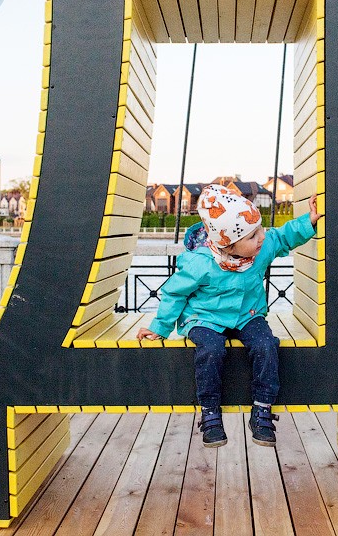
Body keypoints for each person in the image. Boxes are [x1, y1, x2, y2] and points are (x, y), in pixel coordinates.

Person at [136, 184, 323, 448]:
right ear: (230, 245)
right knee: (212, 349)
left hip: (247, 315)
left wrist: (309, 221)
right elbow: (174, 293)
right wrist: (160, 326)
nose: (262, 237)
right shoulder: (201, 263)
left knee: (266, 345)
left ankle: (262, 408)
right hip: (205, 317)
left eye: (259, 229)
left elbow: (282, 237)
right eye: (253, 235)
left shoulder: (259, 247)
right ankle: (210, 411)